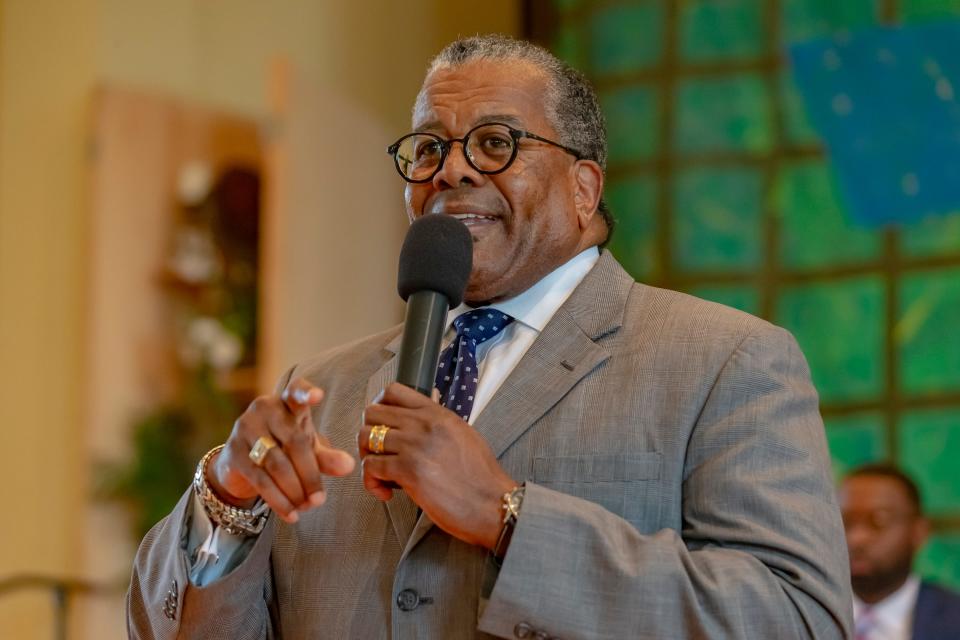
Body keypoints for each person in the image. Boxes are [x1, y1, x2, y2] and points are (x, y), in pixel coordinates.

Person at [127, 35, 852, 639]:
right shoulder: (323, 386)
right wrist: (228, 497)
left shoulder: (723, 360)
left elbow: (798, 618)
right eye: (429, 148)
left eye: (496, 143)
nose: (453, 168)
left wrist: (508, 516)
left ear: (584, 188)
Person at [840, 464, 960, 640]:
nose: (856, 538)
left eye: (878, 521)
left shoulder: (954, 620)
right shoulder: (802, 614)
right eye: (845, 522)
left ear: (918, 532)